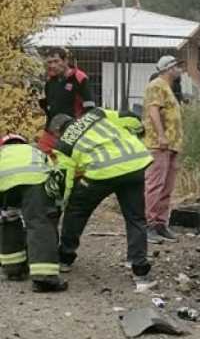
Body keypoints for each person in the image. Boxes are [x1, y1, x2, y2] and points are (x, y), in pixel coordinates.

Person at [48, 109, 158, 292]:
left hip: (101, 172)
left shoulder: (64, 144)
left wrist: (61, 203)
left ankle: (65, 258)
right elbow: (132, 120)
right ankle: (140, 272)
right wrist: (136, 133)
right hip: (134, 164)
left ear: (57, 132)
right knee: (135, 218)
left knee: (76, 211)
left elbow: (65, 179)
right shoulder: (97, 114)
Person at [0, 134, 66, 292]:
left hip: (3, 183)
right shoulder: (35, 151)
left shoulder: (2, 153)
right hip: (35, 180)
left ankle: (13, 269)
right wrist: (56, 206)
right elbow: (56, 174)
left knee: (8, 219)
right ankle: (44, 278)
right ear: (24, 142)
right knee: (39, 223)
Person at [143, 55, 184, 243]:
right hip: (159, 144)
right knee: (155, 184)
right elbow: (153, 111)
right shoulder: (157, 85)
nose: (179, 69)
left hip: (172, 145)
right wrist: (161, 135)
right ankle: (148, 224)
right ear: (168, 68)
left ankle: (160, 223)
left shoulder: (168, 87)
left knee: (167, 186)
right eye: (176, 66)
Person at [38, 47, 95, 154]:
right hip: (52, 130)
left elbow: (90, 108)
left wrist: (80, 129)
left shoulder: (79, 78)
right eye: (49, 62)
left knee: (68, 160)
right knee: (41, 154)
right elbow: (48, 107)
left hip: (73, 130)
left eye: (56, 61)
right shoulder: (50, 81)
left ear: (65, 61)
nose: (52, 65)